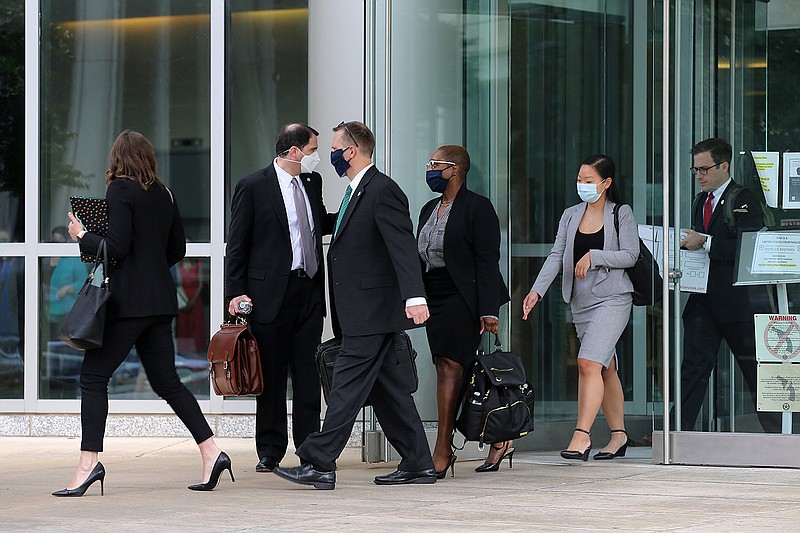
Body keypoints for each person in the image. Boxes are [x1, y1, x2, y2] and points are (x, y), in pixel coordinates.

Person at [54, 130, 231, 497]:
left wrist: (81, 236)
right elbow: (177, 248)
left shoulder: (120, 189)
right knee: (168, 382)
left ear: (118, 158)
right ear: (148, 158)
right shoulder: (164, 194)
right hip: (159, 303)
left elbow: (116, 246)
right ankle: (211, 451)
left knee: (93, 377)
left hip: (129, 304)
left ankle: (88, 465)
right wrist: (148, 269)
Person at [273, 121, 435, 489]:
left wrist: (415, 295)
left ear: (350, 151)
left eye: (333, 147)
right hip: (362, 311)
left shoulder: (382, 190)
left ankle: (319, 460)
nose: (329, 154)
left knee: (346, 384)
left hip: (372, 311)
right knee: (387, 389)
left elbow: (402, 246)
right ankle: (418, 463)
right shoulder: (355, 193)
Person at [226, 123, 332, 473]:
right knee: (270, 374)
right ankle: (270, 449)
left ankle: (309, 447)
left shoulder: (311, 183)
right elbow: (237, 244)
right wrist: (234, 292)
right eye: (313, 149)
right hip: (270, 293)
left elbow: (319, 223)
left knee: (307, 374)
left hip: (309, 290)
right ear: (295, 151)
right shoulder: (253, 185)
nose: (317, 156)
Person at [522, 155, 638, 461]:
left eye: (588, 181)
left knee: (587, 363)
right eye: (579, 180)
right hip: (580, 302)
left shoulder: (620, 213)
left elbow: (630, 254)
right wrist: (536, 291)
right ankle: (619, 436)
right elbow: (556, 255)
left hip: (613, 298)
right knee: (605, 367)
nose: (582, 186)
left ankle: (582, 435)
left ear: (606, 183)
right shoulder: (571, 214)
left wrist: (595, 256)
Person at [416, 145, 510, 476]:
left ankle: (443, 448)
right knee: (446, 366)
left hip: (462, 296)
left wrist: (489, 310)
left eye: (435, 164)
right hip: (434, 295)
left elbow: (487, 261)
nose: (429, 168)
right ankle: (497, 436)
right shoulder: (428, 208)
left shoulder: (478, 207)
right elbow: (421, 257)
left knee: (450, 367)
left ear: (455, 169)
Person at [676, 137, 780, 432]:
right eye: (695, 170)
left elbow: (749, 248)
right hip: (704, 302)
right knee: (693, 370)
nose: (699, 176)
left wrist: (705, 242)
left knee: (756, 371)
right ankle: (677, 432)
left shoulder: (743, 199)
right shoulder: (701, 201)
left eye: (705, 169)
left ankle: (779, 434)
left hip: (739, 303)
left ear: (724, 165)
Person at [49, 226, 88, 339]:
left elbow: (83, 282)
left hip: (67, 309)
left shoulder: (74, 259)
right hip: (47, 308)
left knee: (65, 342)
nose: (56, 243)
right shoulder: (44, 257)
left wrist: (67, 288)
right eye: (54, 240)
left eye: (60, 239)